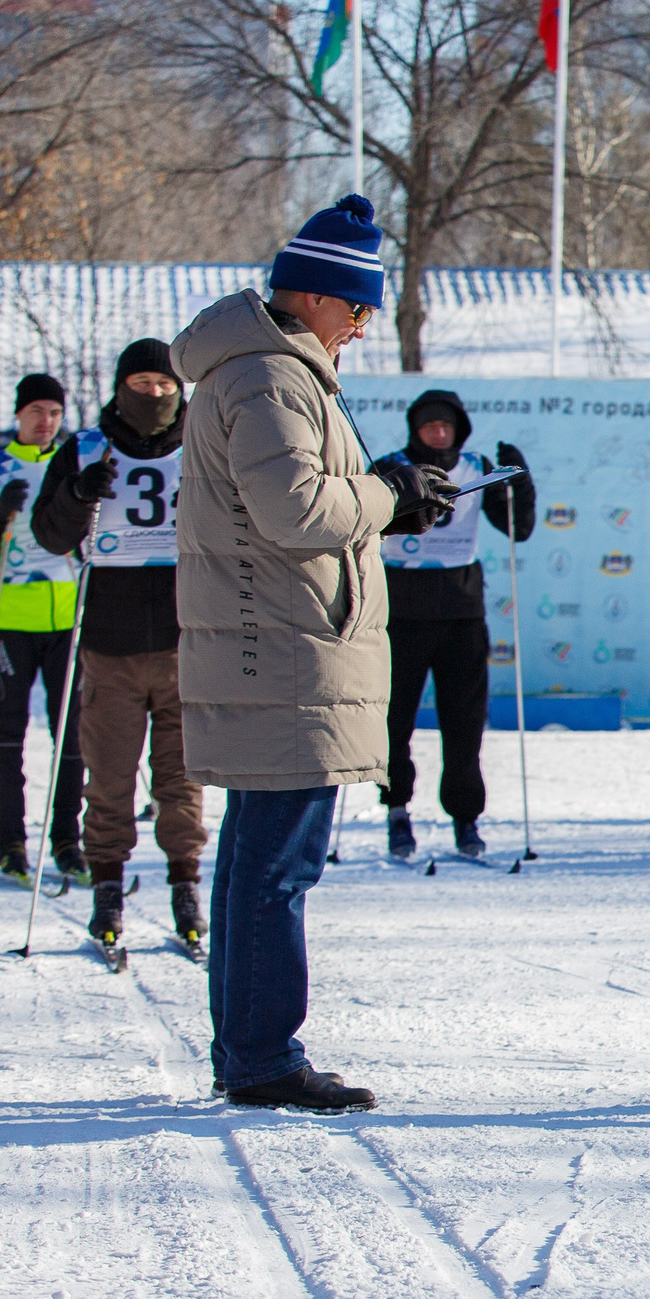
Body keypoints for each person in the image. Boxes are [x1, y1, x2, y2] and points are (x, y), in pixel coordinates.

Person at [173, 193, 458, 1112]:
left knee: (258, 859)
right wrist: (386, 491)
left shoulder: (273, 370)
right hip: (285, 654)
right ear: (311, 296)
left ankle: (246, 1048)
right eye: (357, 307)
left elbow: (308, 501)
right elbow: (300, 513)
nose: (364, 326)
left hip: (280, 649)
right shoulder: (266, 378)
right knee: (276, 866)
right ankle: (260, 1056)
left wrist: (389, 493)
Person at [28, 339, 211, 951]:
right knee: (107, 778)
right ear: (119, 385)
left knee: (182, 780)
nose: (154, 394)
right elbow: (49, 536)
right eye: (141, 383)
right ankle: (107, 884)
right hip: (109, 643)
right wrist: (78, 496)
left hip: (187, 641)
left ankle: (185, 882)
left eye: (164, 385)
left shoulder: (204, 440)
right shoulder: (86, 447)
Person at [373, 390, 536, 861]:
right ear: (415, 430)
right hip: (400, 610)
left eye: (446, 426)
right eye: (429, 427)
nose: (438, 434)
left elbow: (517, 528)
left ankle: (466, 818)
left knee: (464, 724)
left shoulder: (475, 465)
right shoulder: (390, 465)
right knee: (393, 721)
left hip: (461, 612)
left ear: (459, 430)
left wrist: (519, 483)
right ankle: (396, 811)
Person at [0, 373, 80, 887]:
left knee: (71, 737)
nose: (45, 421)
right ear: (18, 415)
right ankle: (12, 844)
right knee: (9, 735)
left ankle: (69, 845)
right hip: (12, 620)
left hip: (68, 619)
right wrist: (0, 514)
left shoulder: (72, 464)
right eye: (35, 411)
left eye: (53, 412)